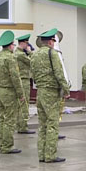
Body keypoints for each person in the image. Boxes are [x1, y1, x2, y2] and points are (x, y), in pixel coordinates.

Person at [31, 28, 70, 162]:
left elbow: (33, 75)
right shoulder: (52, 53)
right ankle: (50, 155)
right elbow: (59, 73)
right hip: (51, 92)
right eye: (54, 40)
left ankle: (42, 155)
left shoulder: (34, 55)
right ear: (50, 42)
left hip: (40, 91)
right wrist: (66, 89)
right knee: (52, 124)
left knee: (42, 125)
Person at [0, 31, 24, 154]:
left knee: (2, 118)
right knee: (10, 120)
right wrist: (21, 94)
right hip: (10, 91)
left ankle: (1, 143)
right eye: (13, 45)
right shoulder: (10, 58)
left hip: (0, 90)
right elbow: (15, 77)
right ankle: (7, 146)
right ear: (10, 45)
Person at [14, 34, 35, 134]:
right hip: (23, 80)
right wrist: (30, 52)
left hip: (21, 80)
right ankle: (23, 127)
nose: (28, 45)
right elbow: (33, 62)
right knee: (24, 104)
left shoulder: (16, 53)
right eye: (27, 43)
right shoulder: (21, 54)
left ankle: (20, 125)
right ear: (23, 43)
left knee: (20, 104)